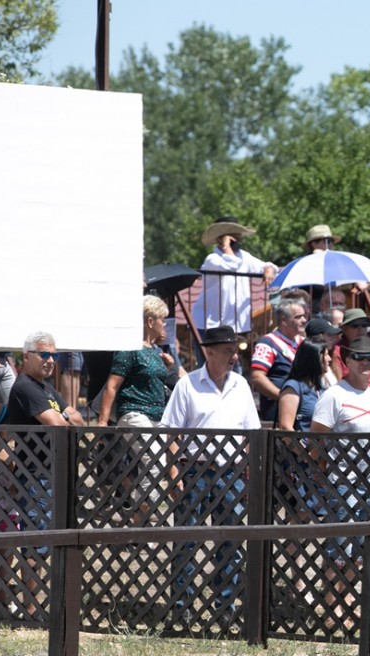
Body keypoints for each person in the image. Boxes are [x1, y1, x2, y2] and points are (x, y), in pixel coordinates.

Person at [160, 326, 260, 623]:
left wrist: (247, 474)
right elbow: (171, 432)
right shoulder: (187, 384)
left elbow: (251, 434)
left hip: (231, 470)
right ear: (210, 352)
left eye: (235, 350)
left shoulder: (241, 385)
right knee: (187, 540)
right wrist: (174, 472)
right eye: (228, 350)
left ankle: (224, 609)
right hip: (195, 469)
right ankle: (182, 608)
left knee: (230, 540)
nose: (233, 356)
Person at [3, 332, 84, 616]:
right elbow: (60, 424)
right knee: (35, 541)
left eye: (54, 355)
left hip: (51, 473)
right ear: (26, 357)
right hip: (33, 474)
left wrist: (64, 416)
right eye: (44, 355)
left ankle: (34, 604)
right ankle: (30, 608)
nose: (51, 360)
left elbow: (79, 418)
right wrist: (64, 416)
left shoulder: (47, 389)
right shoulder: (25, 387)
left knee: (47, 539)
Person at [310, 335, 370, 628]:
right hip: (342, 482)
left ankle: (349, 603)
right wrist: (325, 474)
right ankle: (331, 610)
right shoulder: (333, 396)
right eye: (359, 357)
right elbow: (316, 440)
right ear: (347, 361)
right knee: (338, 548)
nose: (366, 362)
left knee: (359, 550)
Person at [189, 217, 277, 353]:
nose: (240, 240)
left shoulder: (244, 256)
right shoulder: (212, 259)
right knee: (209, 363)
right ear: (221, 239)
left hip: (233, 324)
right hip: (210, 323)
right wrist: (226, 247)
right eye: (234, 237)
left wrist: (269, 268)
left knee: (233, 364)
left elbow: (267, 265)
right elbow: (232, 265)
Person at [96, 296, 173, 427]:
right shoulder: (130, 348)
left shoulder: (154, 350)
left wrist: (167, 367)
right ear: (150, 322)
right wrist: (102, 422)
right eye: (162, 319)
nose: (164, 324)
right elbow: (112, 385)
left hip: (158, 418)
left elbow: (151, 381)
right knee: (153, 449)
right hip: (136, 416)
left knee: (173, 448)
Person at [250, 296, 308, 423]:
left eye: (304, 316)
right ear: (284, 320)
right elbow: (257, 377)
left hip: (303, 410)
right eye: (298, 317)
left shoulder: (304, 342)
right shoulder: (268, 342)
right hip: (278, 412)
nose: (304, 320)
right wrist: (283, 397)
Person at [276, 340, 331, 432]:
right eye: (325, 355)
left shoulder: (321, 389)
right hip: (301, 445)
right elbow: (286, 427)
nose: (329, 359)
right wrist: (301, 447)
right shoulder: (293, 387)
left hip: (323, 445)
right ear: (315, 358)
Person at [337, 308, 370, 394]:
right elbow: (337, 382)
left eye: (364, 325)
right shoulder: (337, 351)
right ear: (344, 328)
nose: (360, 329)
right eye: (355, 325)